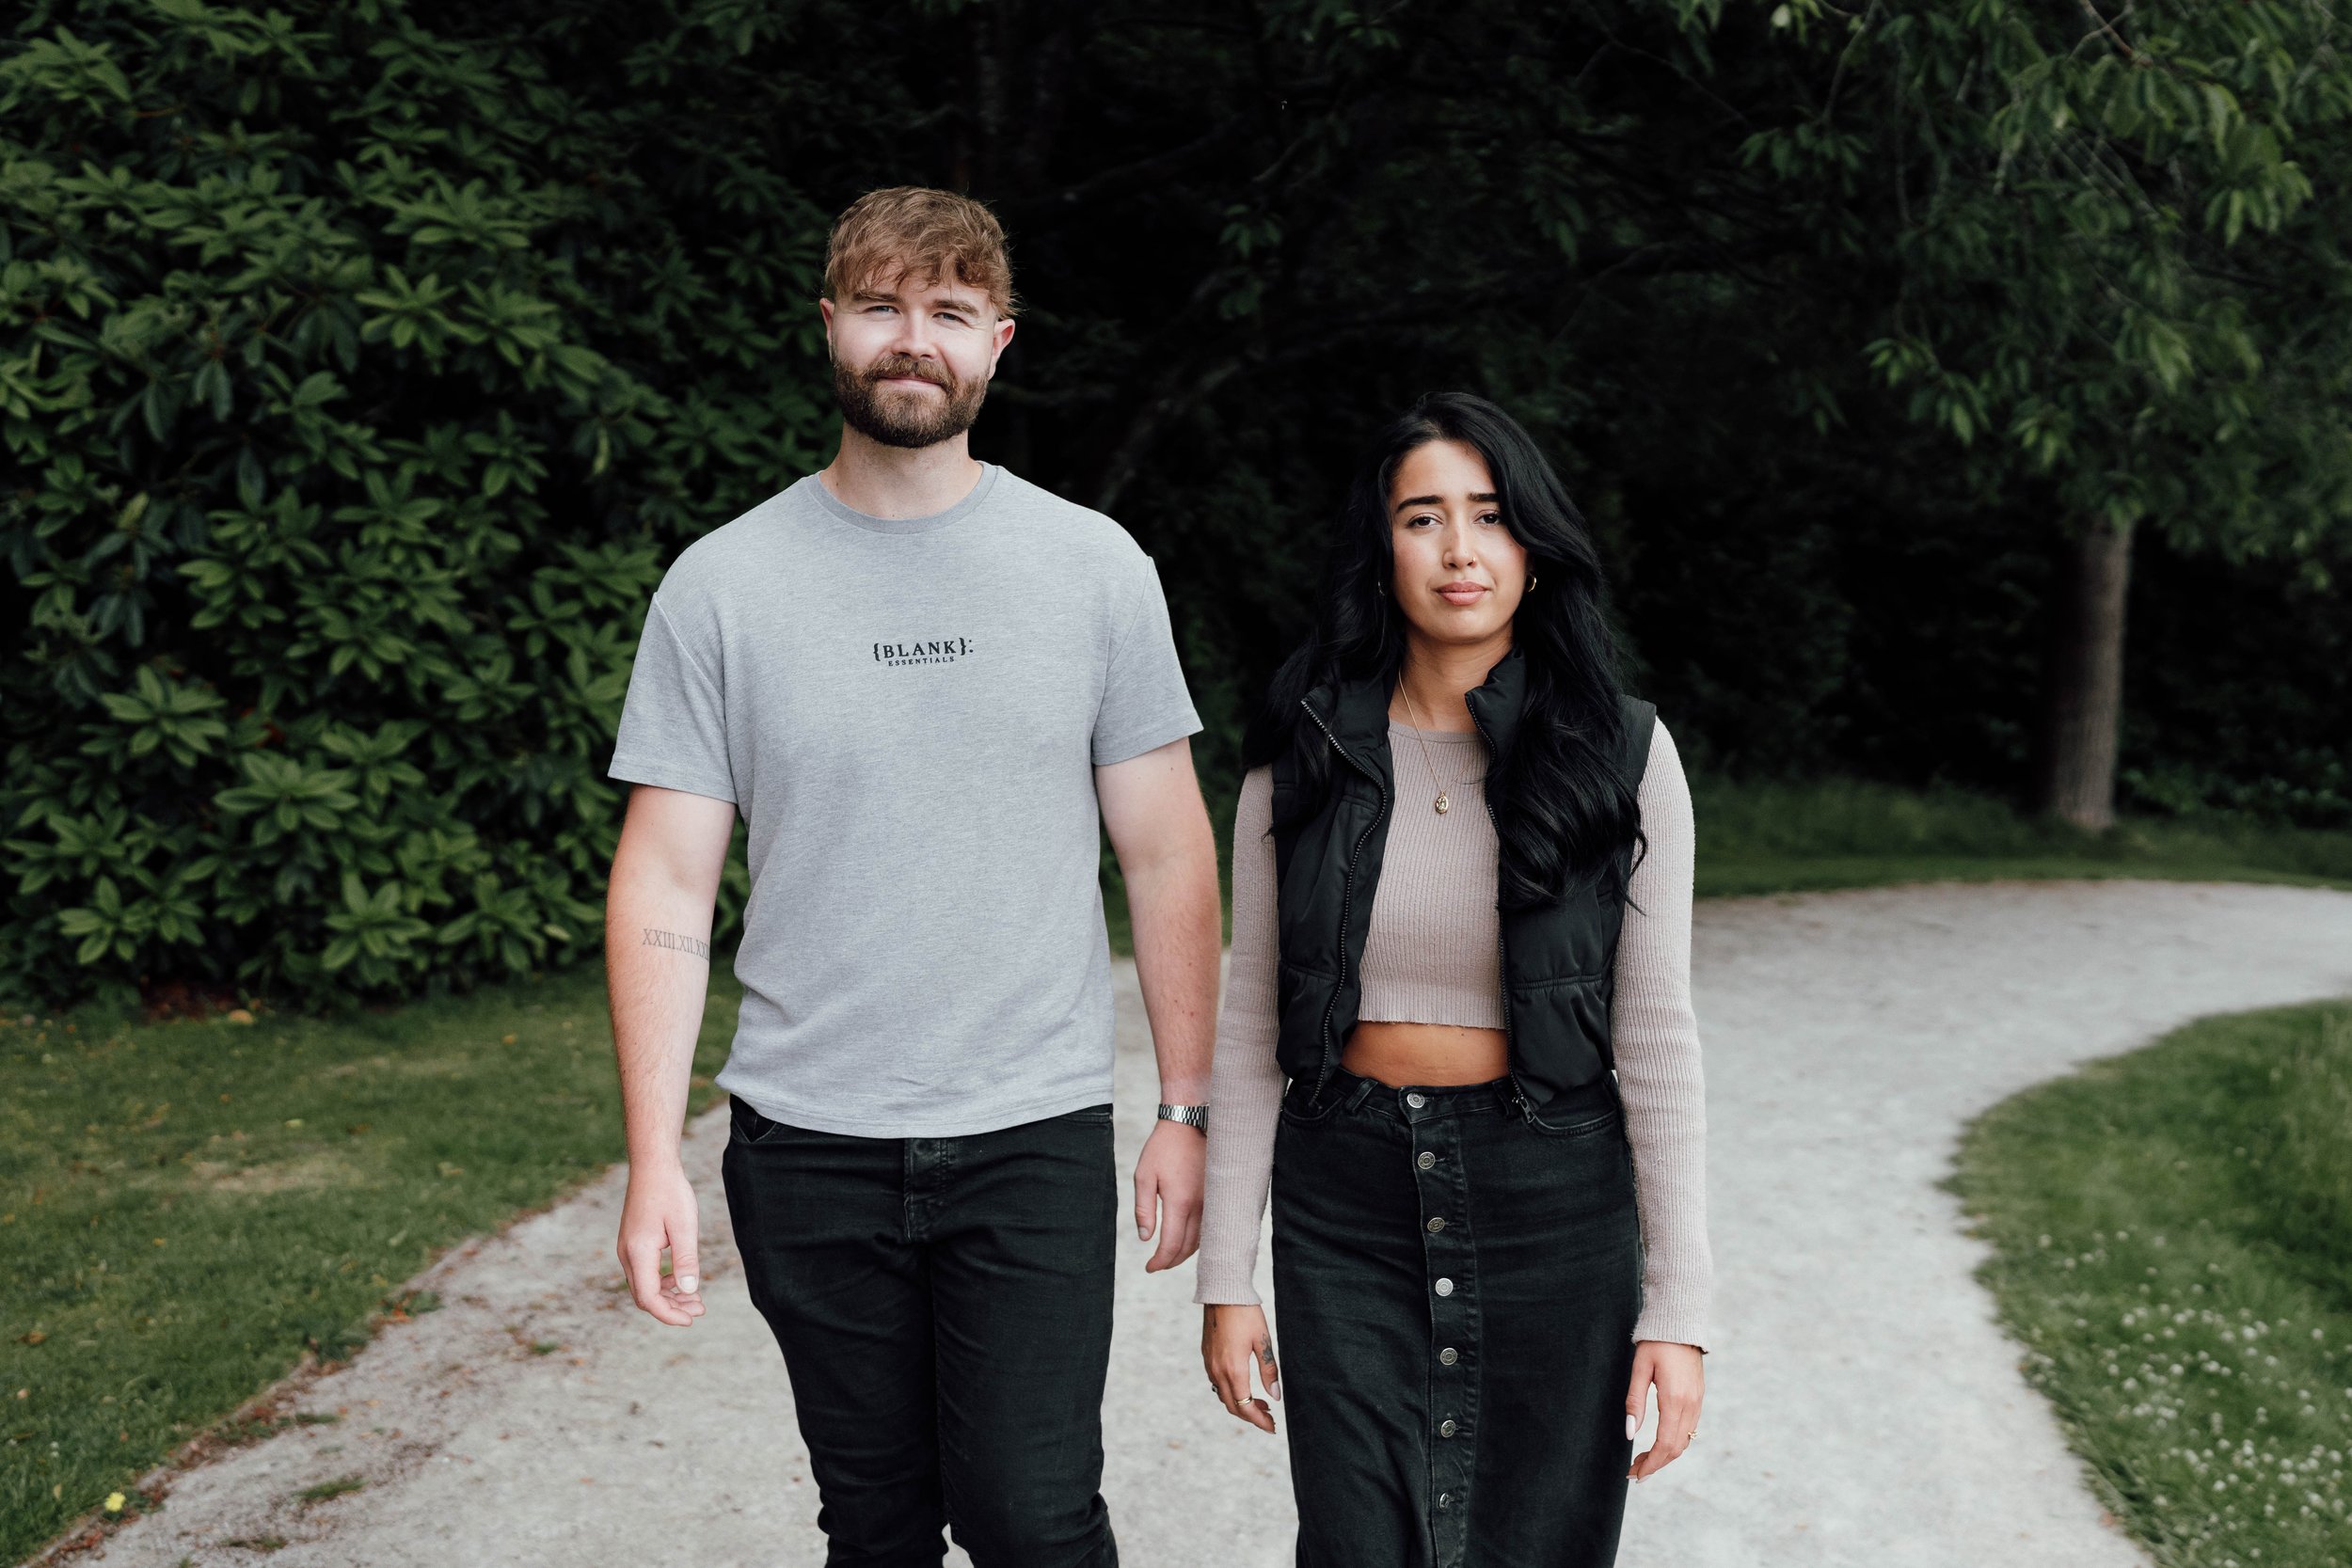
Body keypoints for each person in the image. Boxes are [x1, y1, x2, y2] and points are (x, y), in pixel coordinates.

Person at [602, 185, 1222, 1568]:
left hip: (1032, 1132)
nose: (912, 338)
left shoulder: (1091, 567)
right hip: (806, 1142)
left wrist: (1185, 1103)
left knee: (1033, 1517)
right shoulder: (723, 585)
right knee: (873, 1522)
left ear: (997, 343)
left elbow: (1170, 848)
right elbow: (662, 882)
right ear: (832, 326)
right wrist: (655, 1157)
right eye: (882, 305)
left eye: (947, 311)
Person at [1194, 391, 1711, 1567]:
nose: (1459, 549)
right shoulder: (1305, 752)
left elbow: (1657, 1039)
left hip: (1555, 1205)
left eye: (1489, 515)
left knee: (1534, 1543)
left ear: (1534, 548)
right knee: (1359, 1542)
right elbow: (1249, 1019)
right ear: (1381, 552)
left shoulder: (1623, 754)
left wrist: (1678, 1312)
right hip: (1344, 1204)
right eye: (1421, 517)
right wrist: (1228, 1276)